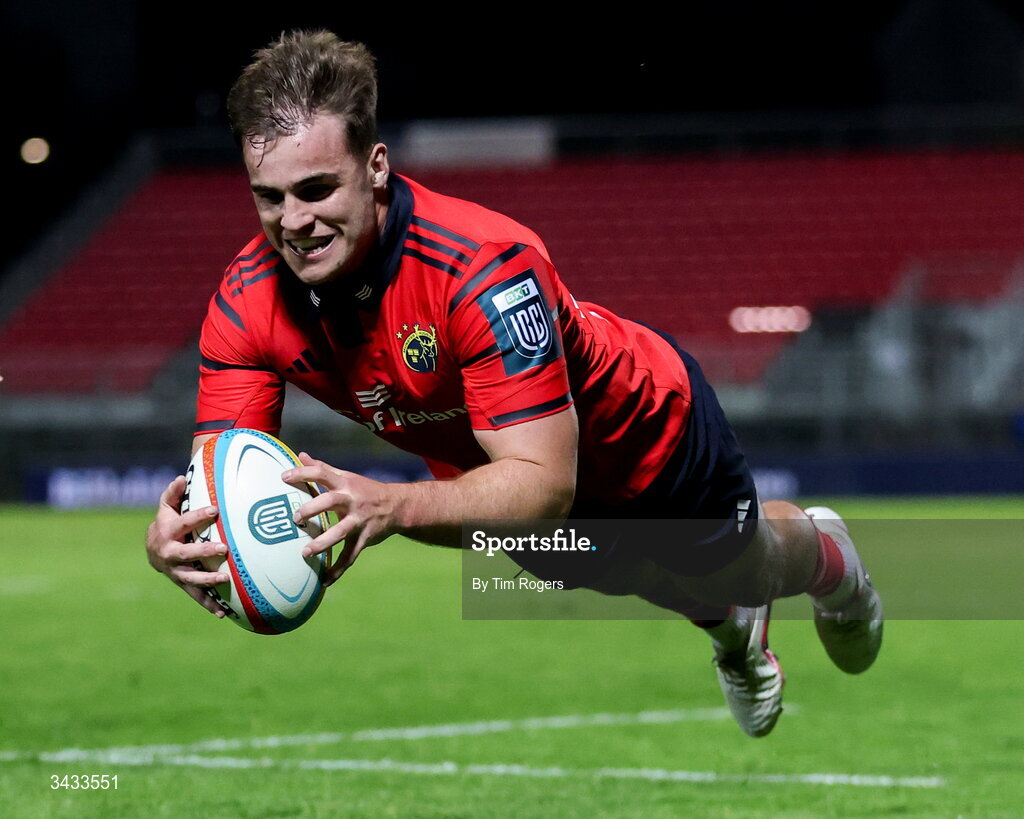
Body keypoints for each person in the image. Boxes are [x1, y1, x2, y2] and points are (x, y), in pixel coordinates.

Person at [145, 29, 883, 738]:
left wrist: (394, 503)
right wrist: (182, 540)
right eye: (269, 197)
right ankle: (731, 626)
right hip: (496, 477)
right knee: (623, 570)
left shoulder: (481, 266)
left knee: (739, 561)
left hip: (643, 433)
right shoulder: (245, 302)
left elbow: (543, 484)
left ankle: (829, 560)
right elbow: (219, 476)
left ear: (374, 166)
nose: (293, 221)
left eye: (315, 188)